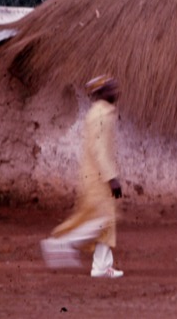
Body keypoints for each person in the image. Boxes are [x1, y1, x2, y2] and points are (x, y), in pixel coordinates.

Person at [40, 75, 124, 278]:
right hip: (98, 178)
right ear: (100, 93)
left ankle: (101, 267)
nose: (116, 91)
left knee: (106, 221)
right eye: (110, 88)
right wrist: (111, 177)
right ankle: (60, 244)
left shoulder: (103, 112)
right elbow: (99, 149)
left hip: (97, 175)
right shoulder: (101, 115)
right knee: (101, 220)